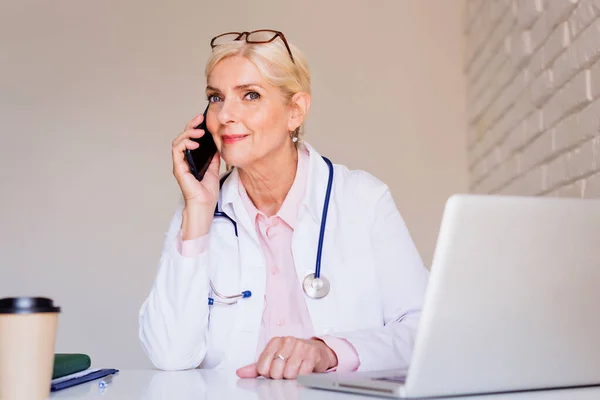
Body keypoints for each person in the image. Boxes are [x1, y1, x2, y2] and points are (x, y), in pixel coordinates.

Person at [139, 29, 429, 380]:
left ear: (296, 111)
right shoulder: (198, 212)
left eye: (250, 95)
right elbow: (170, 354)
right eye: (216, 98)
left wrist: (329, 351)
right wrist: (197, 210)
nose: (226, 115)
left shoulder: (363, 199)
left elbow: (422, 332)